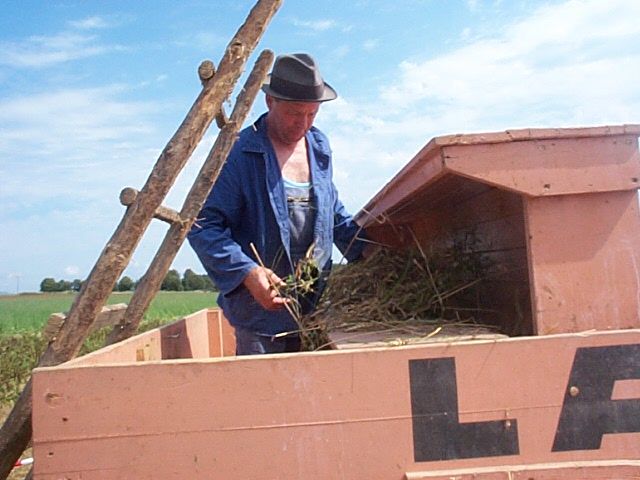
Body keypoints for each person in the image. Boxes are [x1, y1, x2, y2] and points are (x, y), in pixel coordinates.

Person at [188, 53, 367, 355]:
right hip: (260, 318)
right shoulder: (240, 153)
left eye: (312, 114)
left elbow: (331, 212)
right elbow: (202, 226)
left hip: (315, 310)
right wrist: (247, 272)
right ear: (270, 101)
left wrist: (368, 250)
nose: (303, 124)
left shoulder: (319, 147)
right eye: (295, 113)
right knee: (264, 384)